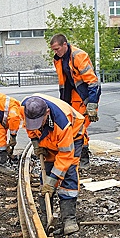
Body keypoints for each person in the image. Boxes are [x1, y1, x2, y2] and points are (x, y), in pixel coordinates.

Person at [21, 94, 85, 235]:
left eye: (39, 121)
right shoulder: (25, 108)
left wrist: (54, 179)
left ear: (47, 113)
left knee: (67, 173)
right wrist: (35, 141)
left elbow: (65, 155)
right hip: (49, 136)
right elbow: (29, 127)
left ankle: (69, 218)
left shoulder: (62, 125)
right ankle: (45, 215)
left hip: (73, 136)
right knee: (47, 173)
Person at [50, 33, 101, 168]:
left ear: (64, 45)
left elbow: (93, 82)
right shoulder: (58, 60)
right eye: (54, 50)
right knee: (70, 127)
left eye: (57, 49)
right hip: (70, 97)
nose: (55, 52)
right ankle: (74, 157)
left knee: (80, 127)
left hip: (85, 97)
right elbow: (64, 83)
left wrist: (92, 104)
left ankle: (83, 159)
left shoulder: (79, 56)